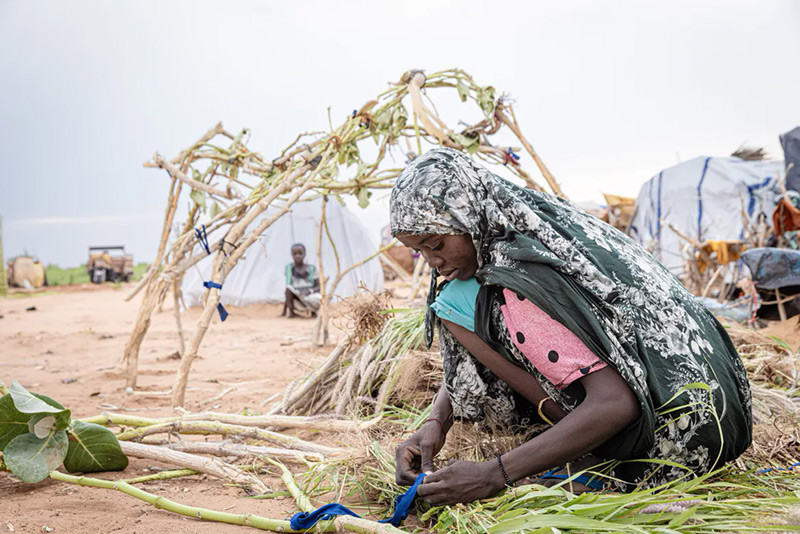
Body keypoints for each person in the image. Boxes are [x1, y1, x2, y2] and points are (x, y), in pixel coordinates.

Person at [390, 148, 752, 505]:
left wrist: (493, 474)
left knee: (454, 305)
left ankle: (599, 453)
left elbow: (615, 403)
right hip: (721, 413)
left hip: (676, 443)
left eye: (436, 244)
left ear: (469, 218)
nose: (434, 264)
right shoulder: (544, 227)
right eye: (420, 252)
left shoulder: (517, 280)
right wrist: (436, 421)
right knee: (454, 300)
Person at [281, 243, 321, 318]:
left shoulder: (311, 268)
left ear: (304, 254)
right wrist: (284, 310)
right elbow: (288, 291)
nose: (297, 256)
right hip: (298, 298)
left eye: (300, 253)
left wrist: (309, 291)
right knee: (288, 288)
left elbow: (318, 287)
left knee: (318, 298)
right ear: (292, 255)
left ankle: (313, 311)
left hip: (311, 297)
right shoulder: (289, 268)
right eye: (295, 254)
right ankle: (292, 313)